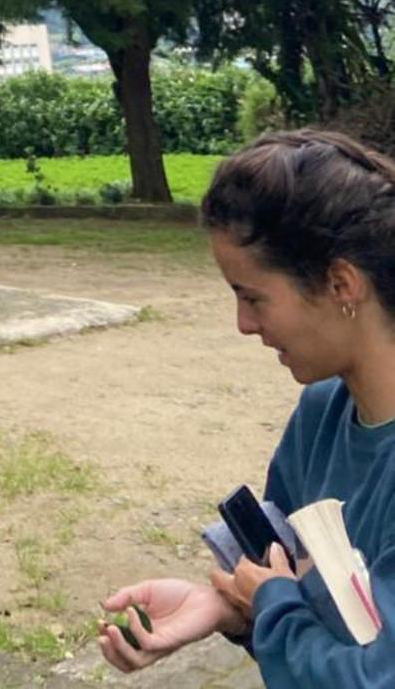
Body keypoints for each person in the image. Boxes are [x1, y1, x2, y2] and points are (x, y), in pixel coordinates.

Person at [100, 128, 395, 685]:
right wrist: (229, 608)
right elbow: (291, 588)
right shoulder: (320, 415)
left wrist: (274, 605)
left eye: (253, 297)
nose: (243, 325)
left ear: (341, 284)